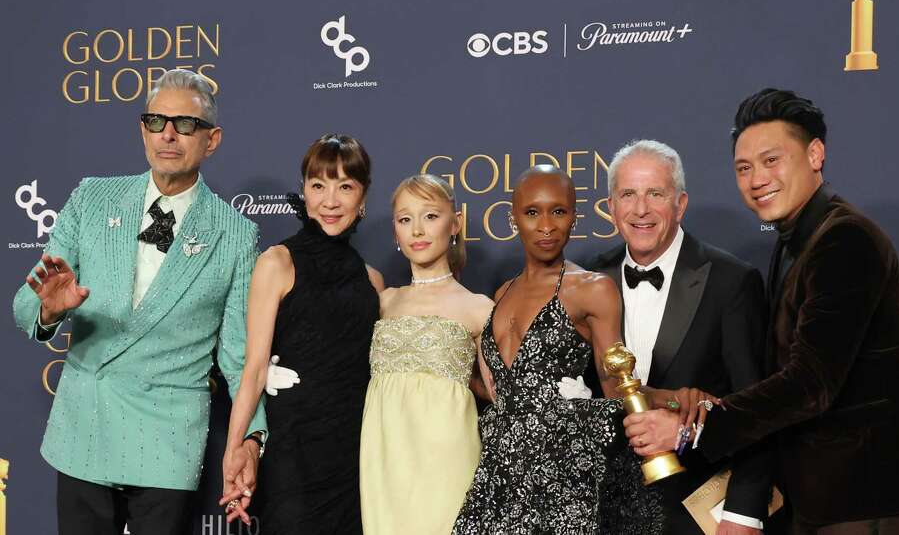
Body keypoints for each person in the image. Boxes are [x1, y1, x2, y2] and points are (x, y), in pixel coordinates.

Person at [625, 88, 899, 534]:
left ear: (815, 154)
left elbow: (810, 383)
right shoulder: (796, 239)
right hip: (822, 490)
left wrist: (691, 431)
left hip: (863, 490)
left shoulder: (844, 240)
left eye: (771, 160)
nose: (757, 178)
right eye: (744, 168)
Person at [11, 69, 266, 535]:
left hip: (166, 441)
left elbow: (238, 355)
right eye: (156, 121)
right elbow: (25, 307)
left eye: (185, 124)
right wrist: (49, 309)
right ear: (142, 130)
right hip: (85, 427)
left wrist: (251, 436)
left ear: (212, 140)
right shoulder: (91, 197)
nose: (168, 135)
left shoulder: (235, 235)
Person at [453, 165, 663, 535]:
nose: (546, 225)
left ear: (574, 216)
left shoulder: (592, 288)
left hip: (561, 481)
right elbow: (504, 391)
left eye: (559, 211)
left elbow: (615, 387)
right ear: (513, 217)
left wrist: (673, 400)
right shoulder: (502, 293)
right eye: (532, 212)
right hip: (499, 475)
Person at [591, 139, 773, 535]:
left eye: (655, 193)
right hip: (603, 513)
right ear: (610, 207)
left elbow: (757, 408)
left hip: (696, 511)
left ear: (680, 204)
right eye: (628, 195)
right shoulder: (584, 281)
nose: (641, 209)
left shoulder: (731, 281)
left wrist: (743, 515)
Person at [219, 134, 384, 534]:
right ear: (305, 193)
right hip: (293, 453)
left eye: (345, 186)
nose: (330, 201)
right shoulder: (277, 263)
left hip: (354, 456)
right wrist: (235, 450)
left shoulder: (373, 283)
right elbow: (254, 370)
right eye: (318, 185)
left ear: (363, 199)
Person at [359, 174, 493, 534]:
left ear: (456, 223)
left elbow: (501, 395)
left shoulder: (479, 308)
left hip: (446, 461)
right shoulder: (383, 302)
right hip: (383, 462)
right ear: (395, 232)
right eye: (406, 219)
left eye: (430, 216)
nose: (417, 230)